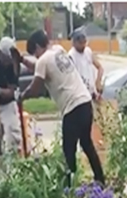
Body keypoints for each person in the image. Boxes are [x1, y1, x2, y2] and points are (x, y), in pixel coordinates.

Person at [22, 30, 105, 187]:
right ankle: (100, 179)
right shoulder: (58, 51)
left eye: (35, 53)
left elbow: (35, 88)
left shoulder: (42, 61)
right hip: (85, 102)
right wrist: (23, 61)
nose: (36, 57)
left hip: (72, 108)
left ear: (38, 46)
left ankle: (70, 186)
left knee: (69, 150)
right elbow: (42, 67)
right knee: (86, 143)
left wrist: (21, 95)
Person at [68, 29, 104, 100]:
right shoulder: (71, 56)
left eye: (84, 42)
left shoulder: (88, 51)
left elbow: (100, 67)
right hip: (80, 95)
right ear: (74, 43)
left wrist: (98, 81)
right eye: (80, 43)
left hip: (92, 92)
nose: (83, 45)